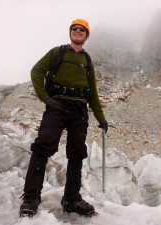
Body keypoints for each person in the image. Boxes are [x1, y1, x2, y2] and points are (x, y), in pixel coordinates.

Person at [19, 18, 108, 217]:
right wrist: (45, 98)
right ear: (70, 33)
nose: (78, 31)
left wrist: (100, 116)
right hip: (57, 106)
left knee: (77, 153)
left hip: (79, 109)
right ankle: (31, 197)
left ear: (86, 35)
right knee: (43, 146)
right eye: (74, 29)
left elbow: (92, 90)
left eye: (82, 29)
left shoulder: (86, 60)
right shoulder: (57, 52)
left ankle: (72, 199)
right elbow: (36, 71)